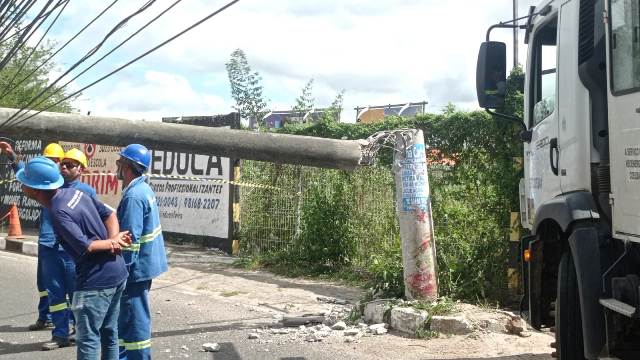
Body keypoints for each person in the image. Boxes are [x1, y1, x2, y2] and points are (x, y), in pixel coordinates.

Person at [16, 156, 131, 360]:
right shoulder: (74, 193)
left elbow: (87, 246)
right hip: (117, 272)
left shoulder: (58, 212)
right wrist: (114, 239)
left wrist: (113, 242)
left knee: (88, 340)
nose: (21, 186)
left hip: (96, 281)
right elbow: (110, 215)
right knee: (109, 332)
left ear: (35, 189)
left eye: (23, 182)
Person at [0, 142, 62, 334]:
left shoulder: (61, 185)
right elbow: (26, 175)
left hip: (58, 245)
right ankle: (45, 317)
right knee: (43, 284)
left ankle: (62, 324)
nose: (48, 165)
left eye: (52, 161)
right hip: (45, 241)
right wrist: (12, 157)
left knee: (58, 286)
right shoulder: (42, 183)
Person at [116, 144, 167, 360]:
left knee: (133, 318)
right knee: (130, 316)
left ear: (127, 166)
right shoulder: (143, 189)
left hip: (135, 270)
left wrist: (122, 272)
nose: (116, 165)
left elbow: (130, 240)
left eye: (120, 162)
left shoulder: (134, 196)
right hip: (145, 266)